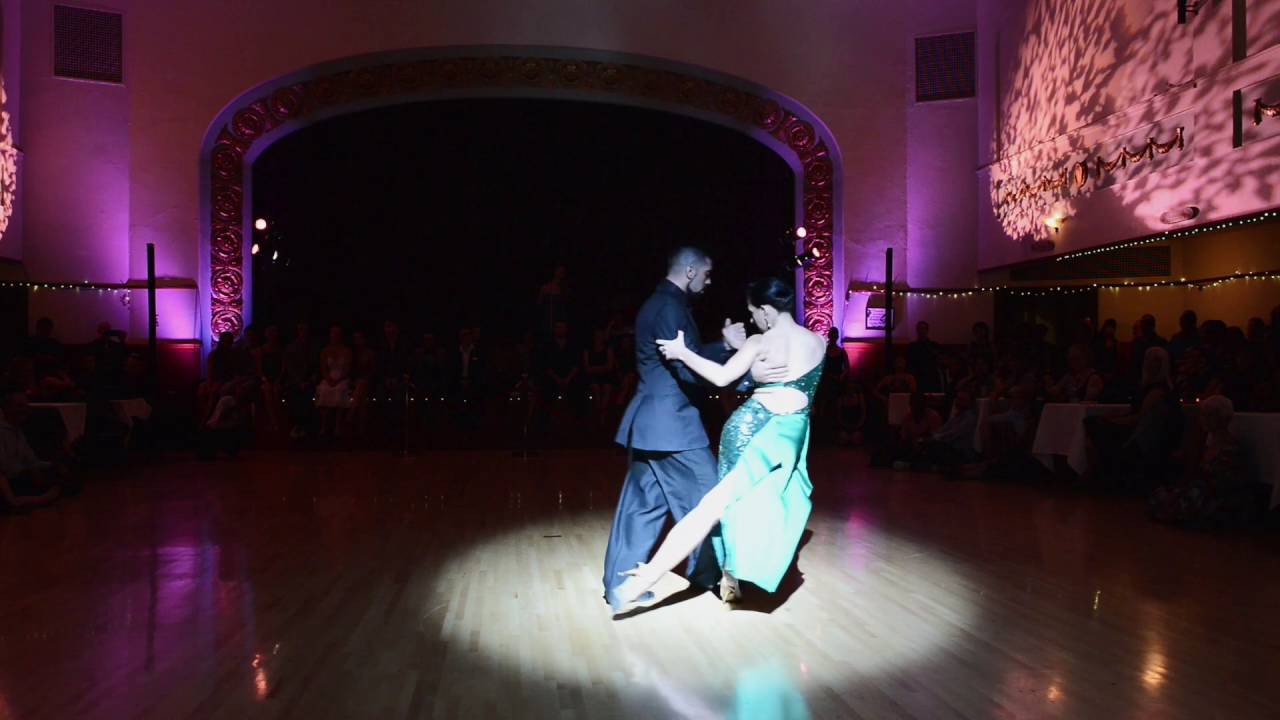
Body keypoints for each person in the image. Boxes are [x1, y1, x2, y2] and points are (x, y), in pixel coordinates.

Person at [609, 276, 822, 612]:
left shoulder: (760, 342)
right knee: (735, 505)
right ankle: (653, 581)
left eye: (754, 313)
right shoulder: (818, 341)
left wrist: (681, 352)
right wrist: (752, 366)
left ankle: (646, 581)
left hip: (756, 430)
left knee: (720, 507)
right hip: (787, 434)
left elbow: (722, 378)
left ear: (766, 310)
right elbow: (792, 385)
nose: (754, 320)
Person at [603, 247, 771, 611]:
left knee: (641, 507)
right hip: (672, 424)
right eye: (708, 274)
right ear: (691, 270)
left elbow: (682, 356)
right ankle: (712, 578)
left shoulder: (659, 303)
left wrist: (722, 344)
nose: (710, 281)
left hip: (650, 421)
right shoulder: (671, 307)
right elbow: (685, 368)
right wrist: (731, 360)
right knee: (713, 499)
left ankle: (618, 585)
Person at [0, 387, 67, 512]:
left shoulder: (18, 431)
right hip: (9, 479)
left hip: (20, 475)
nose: (24, 410)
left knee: (62, 478)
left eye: (26, 406)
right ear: (6, 408)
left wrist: (53, 465)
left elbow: (31, 460)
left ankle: (32, 499)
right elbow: (5, 467)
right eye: (19, 406)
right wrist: (29, 469)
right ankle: (25, 501)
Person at [315, 325, 353, 439]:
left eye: (337, 333)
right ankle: (324, 425)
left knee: (340, 390)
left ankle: (338, 426)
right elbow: (323, 369)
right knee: (324, 390)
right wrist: (328, 379)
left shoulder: (347, 351)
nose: (335, 336)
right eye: (333, 333)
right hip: (329, 378)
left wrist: (339, 379)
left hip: (342, 378)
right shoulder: (325, 351)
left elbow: (347, 369)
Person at [905, 321, 943, 392]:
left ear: (927, 330)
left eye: (923, 329)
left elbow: (939, 361)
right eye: (919, 329)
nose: (921, 331)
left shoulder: (933, 346)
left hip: (931, 376)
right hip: (917, 375)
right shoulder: (912, 346)